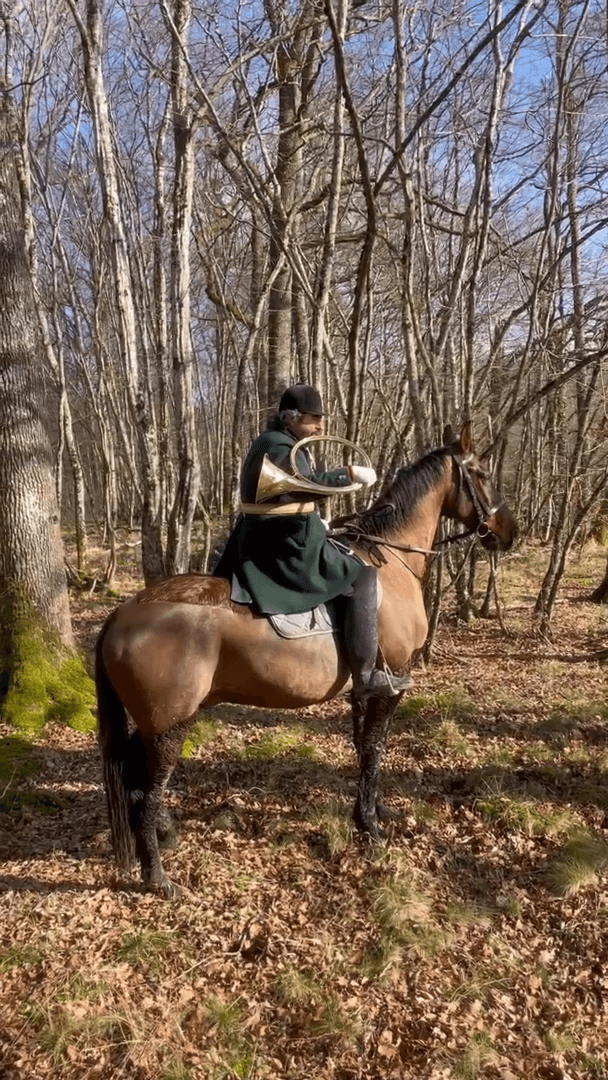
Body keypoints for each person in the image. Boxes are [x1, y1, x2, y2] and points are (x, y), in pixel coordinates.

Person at [213, 384, 409, 700]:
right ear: (291, 418)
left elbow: (284, 497)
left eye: (321, 419)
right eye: (313, 418)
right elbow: (303, 485)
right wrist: (346, 474)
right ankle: (366, 674)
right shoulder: (276, 445)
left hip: (281, 532)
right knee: (362, 574)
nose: (320, 426)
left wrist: (316, 521)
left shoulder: (283, 442)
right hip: (281, 545)